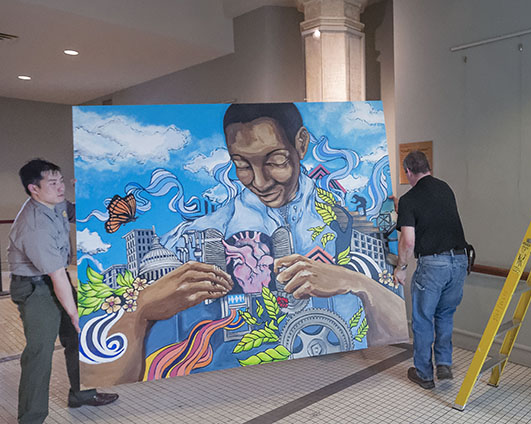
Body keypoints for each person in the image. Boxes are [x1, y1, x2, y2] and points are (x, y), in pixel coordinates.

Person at [83, 103, 407, 386]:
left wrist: (355, 282)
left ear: (302, 143)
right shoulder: (200, 234)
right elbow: (100, 376)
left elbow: (394, 339)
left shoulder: (352, 224)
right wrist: (141, 308)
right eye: (241, 165)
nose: (260, 182)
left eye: (275, 160)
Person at [7, 159, 118, 424]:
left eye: (61, 181)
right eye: (53, 183)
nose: (60, 187)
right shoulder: (35, 225)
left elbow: (79, 213)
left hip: (55, 279)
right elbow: (56, 276)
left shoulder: (55, 205)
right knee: (40, 351)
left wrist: (89, 189)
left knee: (77, 340)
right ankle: (31, 418)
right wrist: (75, 313)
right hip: (34, 287)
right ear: (34, 189)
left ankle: (82, 394)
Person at [393, 150, 469, 389]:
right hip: (459, 260)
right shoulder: (445, 188)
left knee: (423, 319)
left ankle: (424, 374)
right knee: (445, 314)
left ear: (407, 171)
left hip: (433, 265)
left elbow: (408, 241)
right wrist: (402, 210)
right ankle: (444, 363)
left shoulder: (409, 200)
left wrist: (401, 267)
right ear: (428, 167)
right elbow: (432, 216)